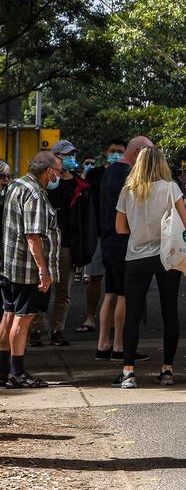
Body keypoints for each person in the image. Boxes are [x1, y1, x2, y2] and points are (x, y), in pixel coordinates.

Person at [114, 147, 186, 388]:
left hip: (136, 255)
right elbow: (184, 224)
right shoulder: (170, 188)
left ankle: (128, 372)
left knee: (132, 314)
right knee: (170, 312)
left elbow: (120, 229)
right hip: (167, 254)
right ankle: (167, 369)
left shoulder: (128, 191)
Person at [0, 152, 62, 387]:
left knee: (8, 314)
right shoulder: (35, 193)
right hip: (27, 269)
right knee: (22, 319)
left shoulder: (17, 184)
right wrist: (43, 271)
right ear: (48, 172)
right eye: (57, 170)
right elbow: (33, 236)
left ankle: (3, 369)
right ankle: (17, 373)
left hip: (10, 265)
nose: (58, 175)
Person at [96, 137, 152, 361]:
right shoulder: (128, 174)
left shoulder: (109, 171)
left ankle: (103, 344)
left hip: (109, 240)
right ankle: (119, 345)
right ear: (137, 152)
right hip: (122, 240)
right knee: (124, 295)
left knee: (110, 293)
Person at [41, 139, 92, 347]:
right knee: (40, 289)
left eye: (72, 155)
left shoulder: (80, 186)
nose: (70, 159)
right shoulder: (45, 184)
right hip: (45, 244)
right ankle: (36, 329)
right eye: (66, 155)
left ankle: (57, 329)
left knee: (64, 291)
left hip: (67, 246)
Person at [79, 139, 124, 336]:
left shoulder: (127, 173)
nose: (115, 154)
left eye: (119, 151)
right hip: (97, 234)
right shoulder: (95, 174)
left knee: (117, 283)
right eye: (112, 150)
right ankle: (90, 316)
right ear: (106, 152)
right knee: (95, 278)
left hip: (119, 234)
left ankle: (114, 321)